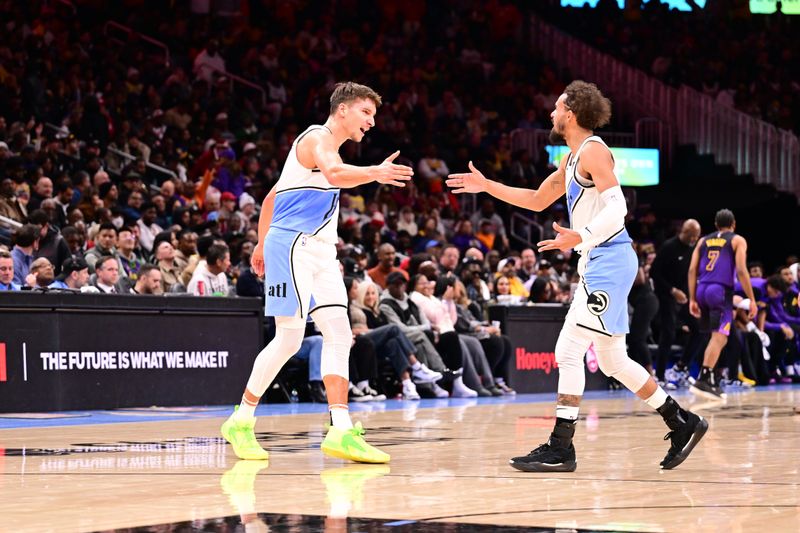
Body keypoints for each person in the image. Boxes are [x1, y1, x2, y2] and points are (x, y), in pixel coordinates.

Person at [447, 80, 707, 471]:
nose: (551, 114)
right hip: (598, 260)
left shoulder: (594, 151)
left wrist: (580, 236)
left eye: (556, 107)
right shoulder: (570, 160)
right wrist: (486, 186)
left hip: (609, 257)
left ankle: (561, 446)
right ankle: (681, 421)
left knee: (568, 350)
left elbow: (618, 206)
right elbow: (536, 199)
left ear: (571, 112)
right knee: (614, 362)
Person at [220, 82, 413, 464]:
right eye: (366, 113)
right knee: (290, 338)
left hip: (322, 252)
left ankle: (340, 429)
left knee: (340, 333)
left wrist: (259, 243)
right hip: (293, 244)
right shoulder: (316, 139)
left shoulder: (323, 152)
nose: (371, 123)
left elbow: (272, 196)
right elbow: (336, 174)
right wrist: (375, 172)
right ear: (343, 110)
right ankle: (240, 420)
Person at [688, 209, 757, 400]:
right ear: (733, 224)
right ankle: (703, 379)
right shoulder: (737, 240)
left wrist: (693, 298)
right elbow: (742, 270)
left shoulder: (703, 241)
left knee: (717, 337)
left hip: (702, 289)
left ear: (716, 224)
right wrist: (751, 299)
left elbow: (692, 269)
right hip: (719, 291)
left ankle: (709, 378)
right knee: (720, 337)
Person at [650, 219, 702, 381]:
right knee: (668, 333)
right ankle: (659, 376)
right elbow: (654, 273)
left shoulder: (693, 250)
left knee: (699, 330)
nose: (694, 239)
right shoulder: (669, 247)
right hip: (666, 296)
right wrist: (672, 290)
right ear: (683, 232)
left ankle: (681, 367)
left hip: (685, 297)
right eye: (692, 236)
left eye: (697, 236)